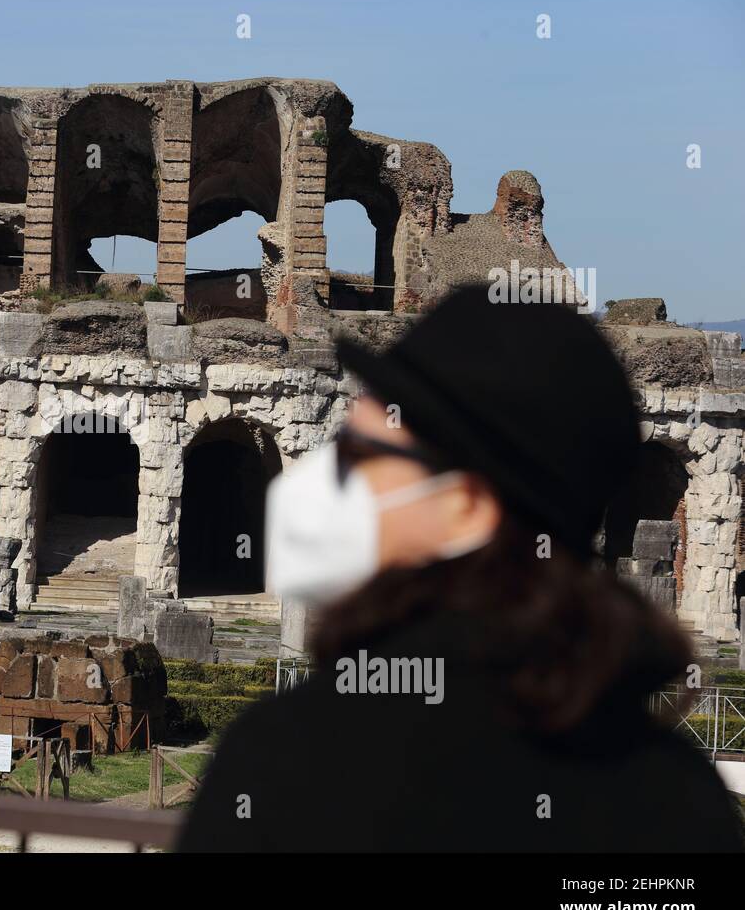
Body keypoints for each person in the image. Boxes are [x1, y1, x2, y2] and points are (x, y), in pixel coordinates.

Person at [178, 286, 745, 852]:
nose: (327, 481)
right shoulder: (680, 801)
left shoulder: (285, 766)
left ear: (465, 506)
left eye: (362, 456)